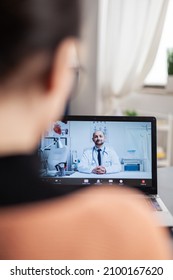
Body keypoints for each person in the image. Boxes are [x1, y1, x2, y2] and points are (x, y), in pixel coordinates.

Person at [0, 0, 171, 260]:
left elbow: (114, 166)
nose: (99, 138)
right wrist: (95, 170)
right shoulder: (123, 227)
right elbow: (80, 169)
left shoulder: (111, 152)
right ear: (60, 68)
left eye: (100, 136)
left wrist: (105, 169)